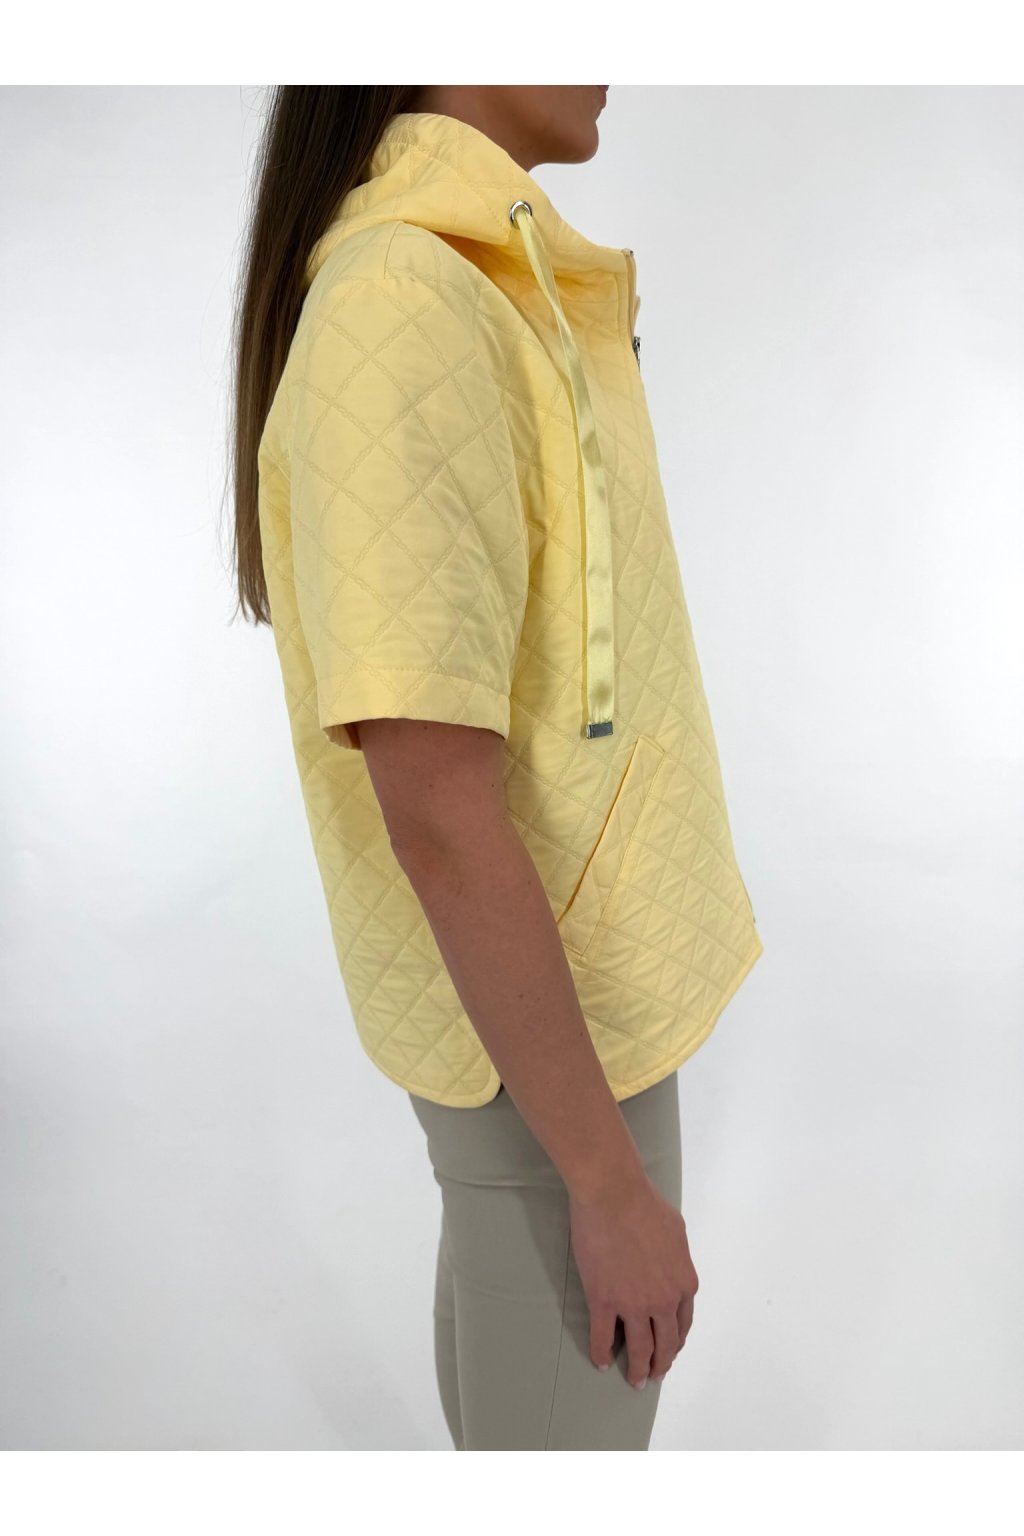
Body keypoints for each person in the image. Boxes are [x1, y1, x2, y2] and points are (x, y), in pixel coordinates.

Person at [229, 84, 763, 1451]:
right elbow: (437, 803)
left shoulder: (469, 278)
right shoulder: (406, 300)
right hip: (549, 1040)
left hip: (560, 1005)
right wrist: (609, 1184)